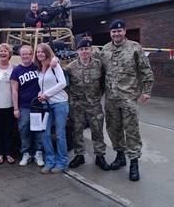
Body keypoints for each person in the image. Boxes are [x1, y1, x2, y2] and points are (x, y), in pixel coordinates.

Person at [99, 19, 154, 181]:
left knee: (132, 131)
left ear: (124, 31)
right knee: (113, 129)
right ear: (110, 33)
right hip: (111, 99)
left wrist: (147, 91)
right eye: (113, 32)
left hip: (128, 97)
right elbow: (100, 74)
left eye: (119, 31)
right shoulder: (105, 50)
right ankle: (120, 156)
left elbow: (145, 69)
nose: (116, 34)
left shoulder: (134, 48)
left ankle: (134, 163)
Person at [64, 39, 110, 170]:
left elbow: (103, 82)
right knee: (77, 131)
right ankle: (79, 155)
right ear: (77, 51)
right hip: (77, 105)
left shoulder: (99, 65)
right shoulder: (70, 68)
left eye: (87, 49)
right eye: (81, 49)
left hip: (94, 104)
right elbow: (65, 84)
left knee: (97, 131)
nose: (84, 52)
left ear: (90, 50)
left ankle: (100, 156)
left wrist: (97, 96)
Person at [34, 43, 69, 174]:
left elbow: (62, 83)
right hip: (46, 105)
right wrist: (40, 93)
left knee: (60, 135)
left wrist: (46, 94)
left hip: (59, 103)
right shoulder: (39, 69)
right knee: (45, 133)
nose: (40, 54)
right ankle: (50, 160)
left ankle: (61, 162)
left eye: (42, 52)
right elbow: (43, 87)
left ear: (48, 53)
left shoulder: (54, 66)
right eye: (38, 52)